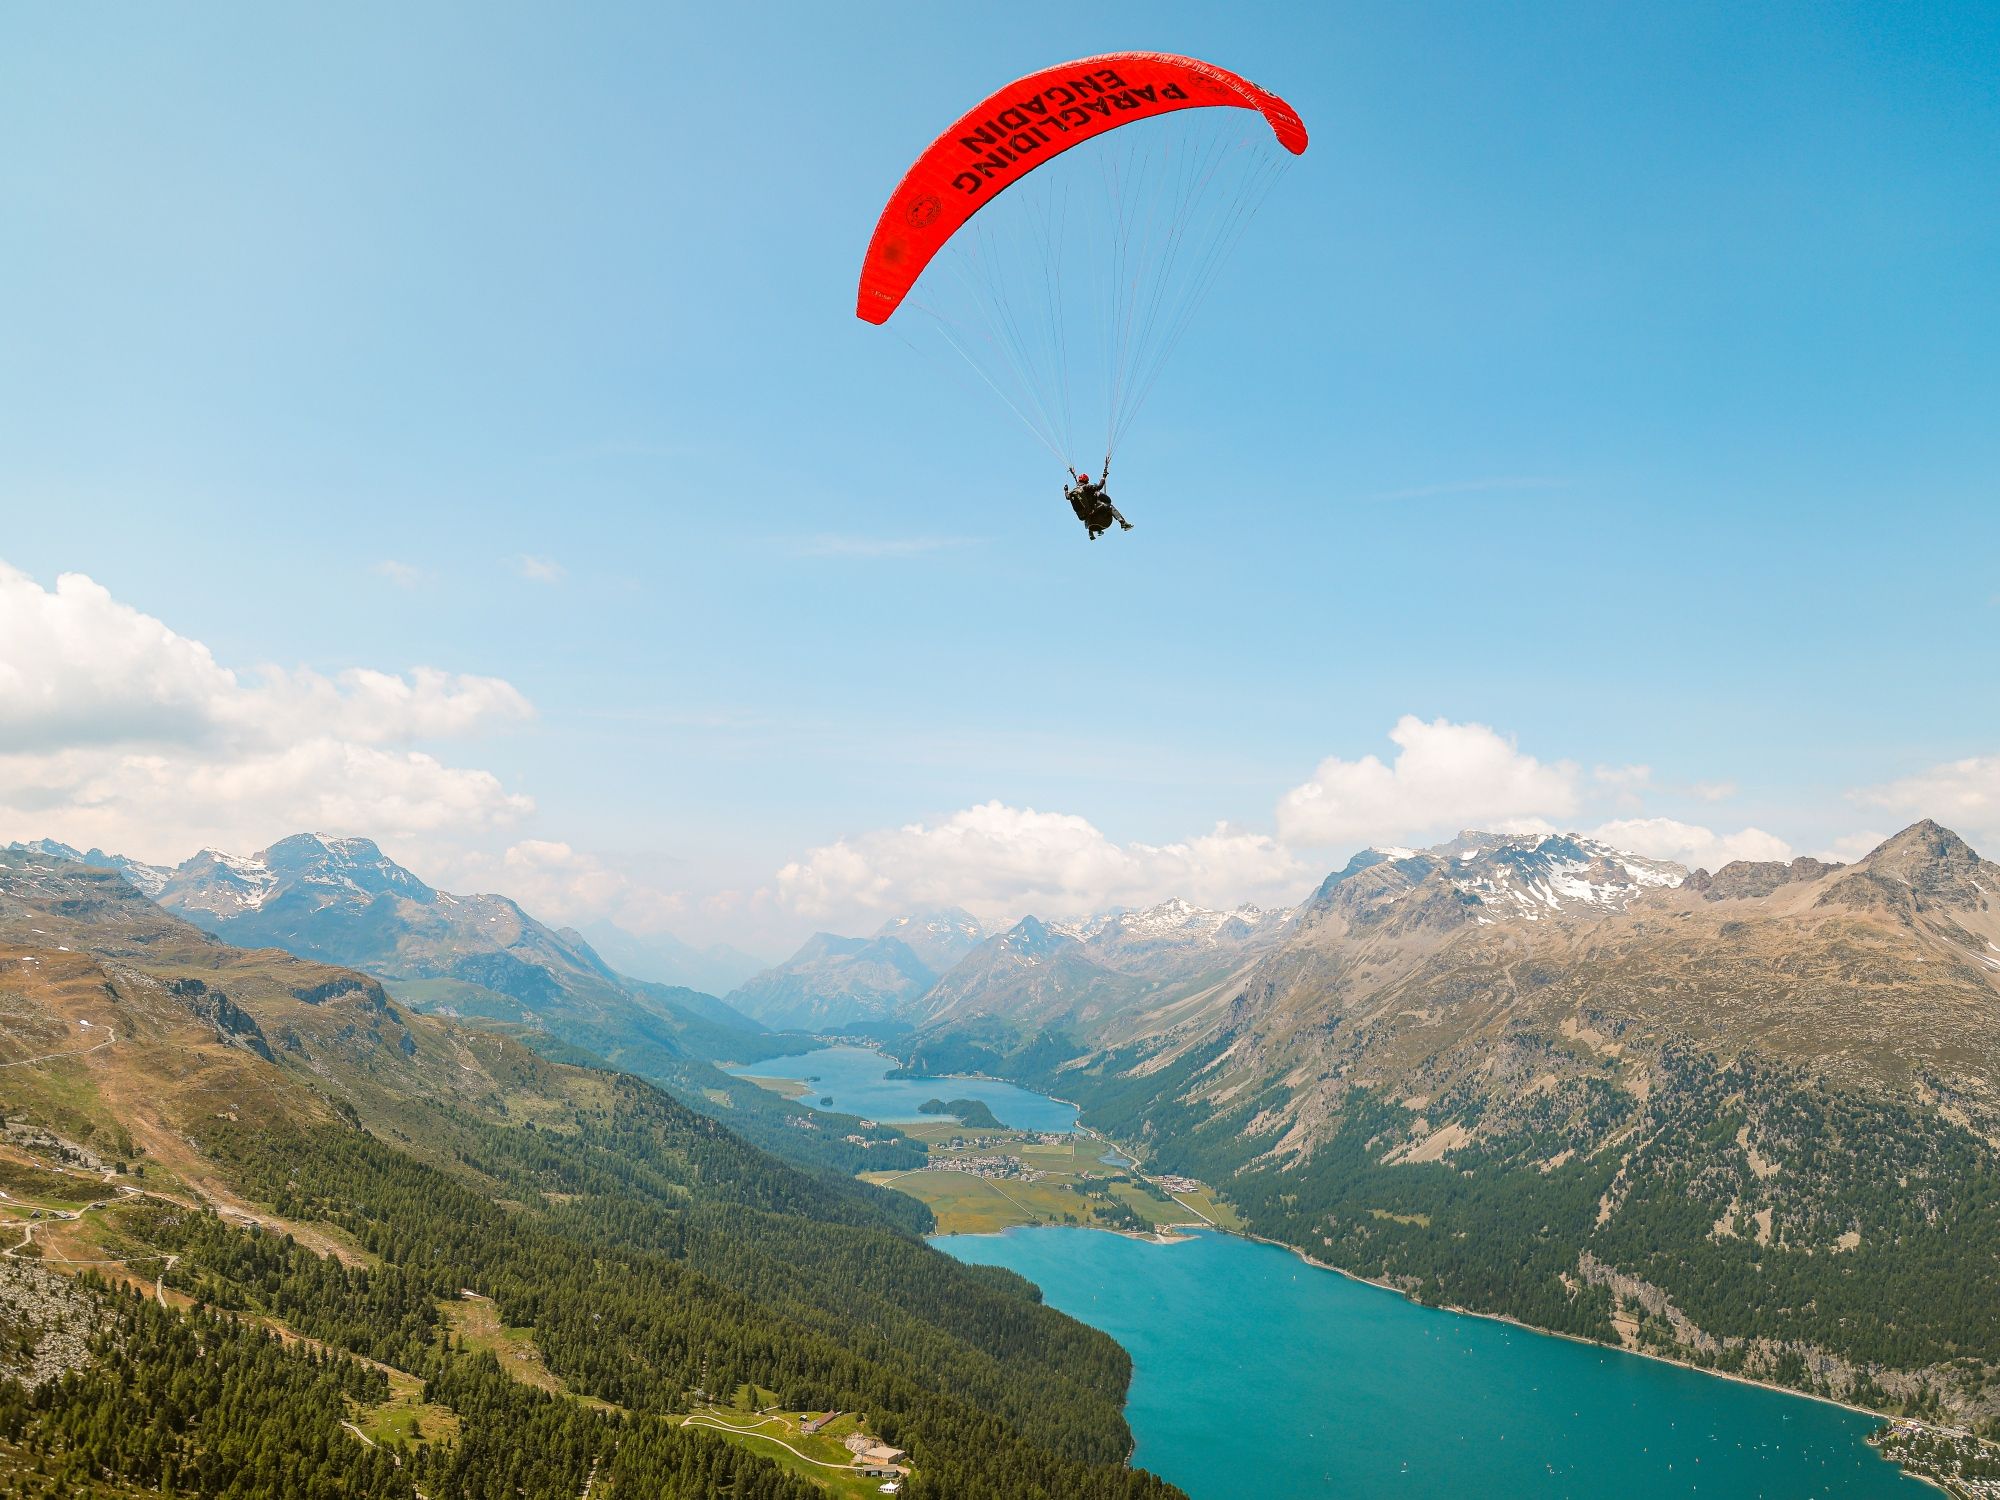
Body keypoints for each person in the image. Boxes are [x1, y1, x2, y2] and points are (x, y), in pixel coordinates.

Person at [1065, 460, 1133, 540]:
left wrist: (1066, 490)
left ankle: (1092, 533)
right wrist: (1103, 477)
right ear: (1087, 481)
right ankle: (1123, 523)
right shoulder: (1087, 487)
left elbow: (1067, 497)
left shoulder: (1075, 491)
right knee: (1109, 506)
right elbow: (1100, 486)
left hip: (1087, 522)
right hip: (1098, 517)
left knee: (1088, 508)